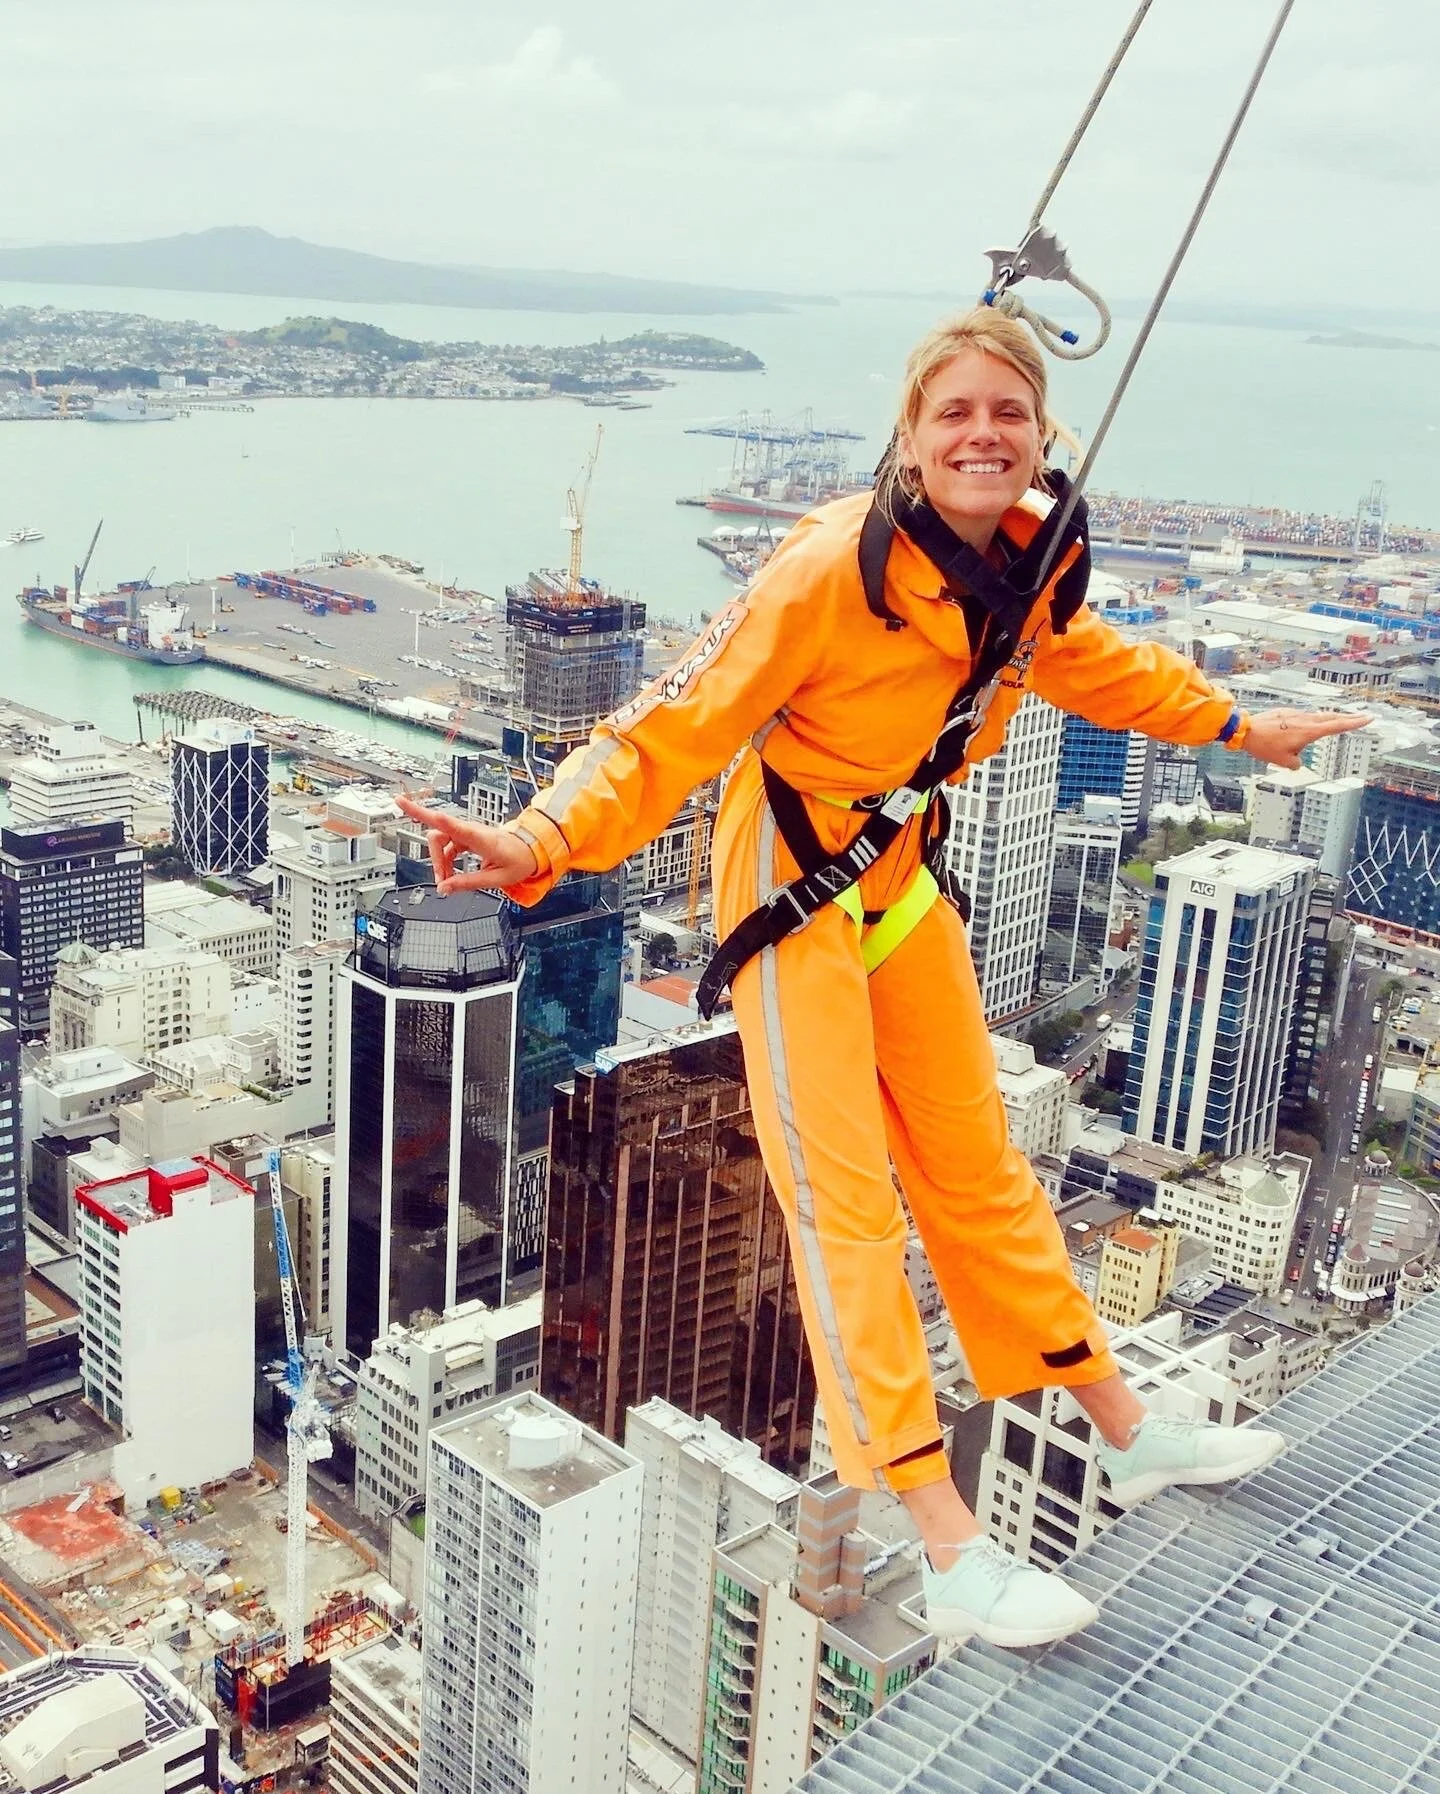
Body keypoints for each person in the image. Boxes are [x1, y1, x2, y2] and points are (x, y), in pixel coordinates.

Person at [399, 308, 1367, 1649]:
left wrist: (1242, 725)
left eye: (1005, 413)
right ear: (911, 438)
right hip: (793, 884)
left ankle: (1127, 1428)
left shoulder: (1029, 571)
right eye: (953, 413)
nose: (981, 434)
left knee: (978, 1168)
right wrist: (535, 836)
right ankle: (948, 1539)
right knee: (847, 1209)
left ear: (1042, 435)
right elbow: (668, 726)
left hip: (899, 877)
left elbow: (1103, 670)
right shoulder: (823, 572)